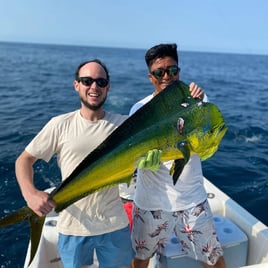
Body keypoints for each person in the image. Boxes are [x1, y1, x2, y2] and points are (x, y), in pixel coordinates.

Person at [15, 59, 136, 268]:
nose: (94, 87)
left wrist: (190, 96)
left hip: (115, 224)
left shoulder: (125, 125)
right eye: (87, 80)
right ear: (76, 85)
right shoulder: (59, 125)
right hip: (73, 226)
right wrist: (30, 194)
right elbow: (24, 160)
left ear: (108, 86)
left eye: (100, 81)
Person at [129, 44, 226, 268]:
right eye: (159, 72)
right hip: (150, 201)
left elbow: (207, 145)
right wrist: (142, 163)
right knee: (141, 258)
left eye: (172, 71)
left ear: (179, 72)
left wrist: (201, 102)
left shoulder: (197, 100)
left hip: (191, 200)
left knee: (213, 259)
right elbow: (133, 156)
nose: (166, 76)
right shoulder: (139, 109)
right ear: (150, 76)